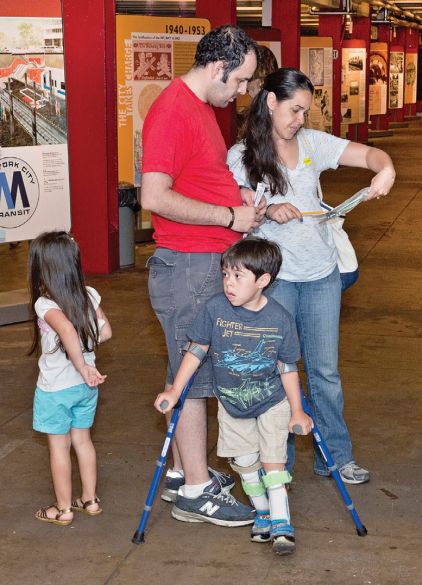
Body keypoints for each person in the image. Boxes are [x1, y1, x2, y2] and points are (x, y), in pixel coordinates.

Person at [227, 67, 396, 484]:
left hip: (321, 276)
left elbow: (368, 155)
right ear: (270, 102)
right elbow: (237, 217)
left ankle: (335, 457)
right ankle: (275, 463)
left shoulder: (312, 144)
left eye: (305, 111)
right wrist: (267, 212)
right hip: (274, 282)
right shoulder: (241, 156)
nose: (300, 119)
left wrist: (386, 168)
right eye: (294, 110)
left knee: (324, 372)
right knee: (274, 371)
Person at [141, 24, 266, 525]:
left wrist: (237, 203)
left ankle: (180, 474)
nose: (240, 92)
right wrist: (228, 217)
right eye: (239, 81)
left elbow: (197, 179)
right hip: (189, 267)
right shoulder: (174, 110)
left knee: (184, 369)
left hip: (200, 263)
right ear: (218, 68)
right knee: (193, 379)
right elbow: (155, 197)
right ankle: (196, 490)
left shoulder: (199, 107)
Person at [154, 237, 312, 554]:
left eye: (238, 276)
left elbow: (287, 367)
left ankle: (282, 523)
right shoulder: (214, 310)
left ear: (263, 281)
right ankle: (262, 513)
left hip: (271, 402)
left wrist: (297, 410)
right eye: (226, 274)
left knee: (273, 465)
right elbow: (196, 350)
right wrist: (174, 389)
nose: (229, 283)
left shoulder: (279, 318)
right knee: (245, 465)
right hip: (231, 404)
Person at [28, 231, 112, 525]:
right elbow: (106, 331)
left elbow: (65, 331)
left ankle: (63, 509)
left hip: (56, 390)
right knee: (83, 441)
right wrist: (87, 363)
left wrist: (80, 365)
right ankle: (90, 500)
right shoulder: (88, 294)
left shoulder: (45, 304)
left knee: (59, 448)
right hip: (85, 389)